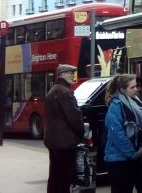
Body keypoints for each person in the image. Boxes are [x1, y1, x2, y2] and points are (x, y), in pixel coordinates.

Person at [44, 64, 85, 193]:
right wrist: (81, 133)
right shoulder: (65, 92)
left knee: (55, 175)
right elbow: (74, 117)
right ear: (61, 75)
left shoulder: (53, 90)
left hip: (54, 141)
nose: (73, 76)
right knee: (64, 178)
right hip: (65, 142)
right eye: (70, 73)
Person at [103, 74, 142, 193]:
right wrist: (133, 154)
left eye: (136, 86)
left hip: (132, 157)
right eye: (132, 87)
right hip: (118, 159)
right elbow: (117, 135)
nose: (136, 90)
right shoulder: (116, 106)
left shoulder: (136, 103)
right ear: (122, 90)